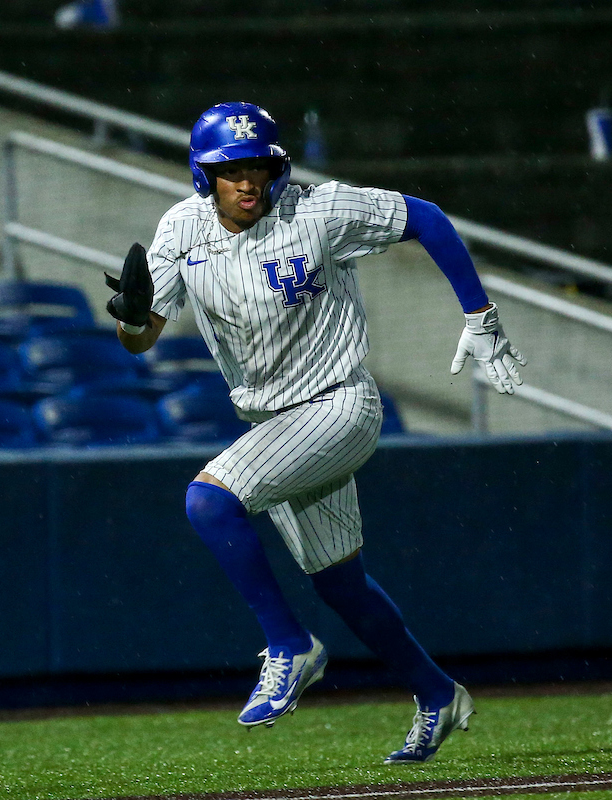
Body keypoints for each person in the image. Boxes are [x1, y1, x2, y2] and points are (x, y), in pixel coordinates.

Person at [105, 101, 526, 764]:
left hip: (340, 404)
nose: (247, 181)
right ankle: (437, 693)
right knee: (341, 583)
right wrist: (129, 318)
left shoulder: (317, 211)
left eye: (259, 166)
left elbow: (429, 218)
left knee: (208, 500)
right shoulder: (182, 229)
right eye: (229, 169)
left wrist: (480, 314)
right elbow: (143, 337)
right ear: (203, 175)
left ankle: (289, 645)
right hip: (278, 421)